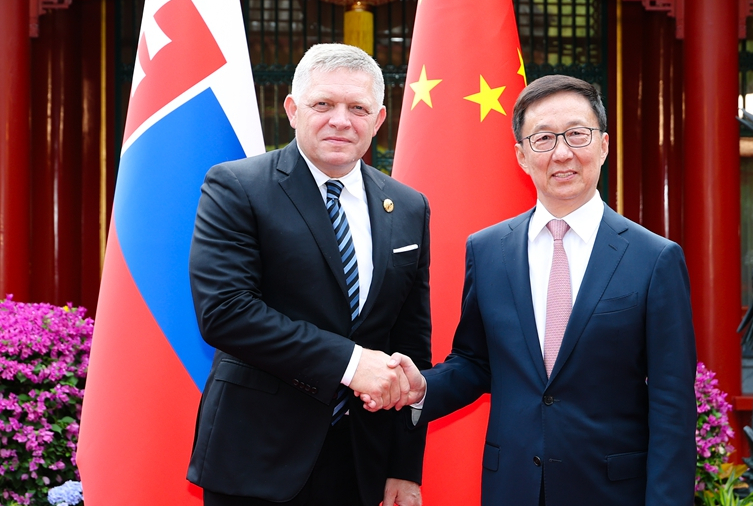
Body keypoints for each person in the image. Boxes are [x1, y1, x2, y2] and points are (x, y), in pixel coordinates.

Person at [368, 75, 697, 506]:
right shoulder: (488, 250)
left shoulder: (654, 258)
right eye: (543, 138)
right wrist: (423, 388)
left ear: (603, 145)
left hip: (613, 491)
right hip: (513, 487)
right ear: (522, 155)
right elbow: (475, 362)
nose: (562, 153)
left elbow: (673, 404)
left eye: (577, 134)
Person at [186, 43, 431, 506]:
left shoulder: (409, 206)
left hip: (362, 464)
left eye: (358, 108)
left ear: (379, 119)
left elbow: (410, 345)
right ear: (293, 110)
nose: (341, 120)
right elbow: (226, 312)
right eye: (323, 104)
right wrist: (352, 363)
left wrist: (403, 466)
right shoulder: (237, 186)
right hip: (257, 459)